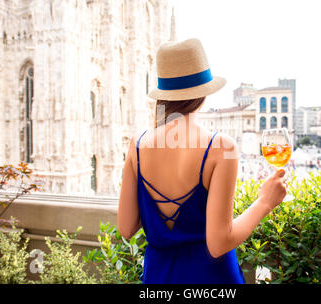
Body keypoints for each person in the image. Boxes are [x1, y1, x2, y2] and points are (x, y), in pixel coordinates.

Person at [118, 38, 287, 284]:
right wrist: (264, 202)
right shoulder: (221, 147)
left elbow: (126, 228)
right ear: (204, 93)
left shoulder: (136, 144)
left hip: (158, 278)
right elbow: (219, 244)